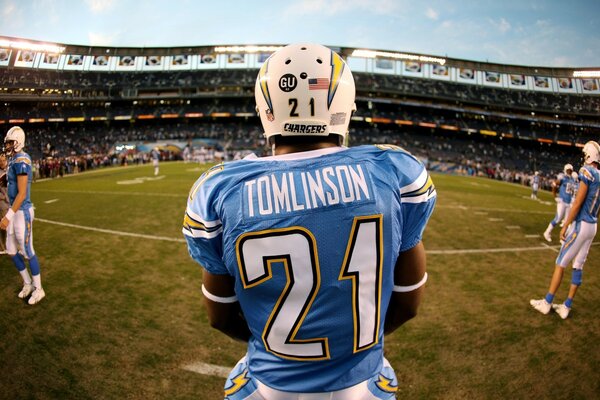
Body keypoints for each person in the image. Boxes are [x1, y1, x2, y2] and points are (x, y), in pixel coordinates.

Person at [183, 43, 436, 399]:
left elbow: (219, 318)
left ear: (266, 110)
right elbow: (408, 305)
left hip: (267, 386)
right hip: (364, 384)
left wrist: (279, 346)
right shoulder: (393, 172)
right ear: (343, 107)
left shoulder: (221, 190)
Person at [530, 141, 599, 319]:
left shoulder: (587, 172)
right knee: (578, 265)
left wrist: (566, 224)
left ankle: (547, 302)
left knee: (561, 262)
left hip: (581, 224)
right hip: (593, 225)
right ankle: (566, 306)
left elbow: (577, 203)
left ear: (588, 155)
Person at [0, 126, 45, 304]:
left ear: (18, 142)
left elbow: (22, 194)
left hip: (22, 211)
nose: (8, 146)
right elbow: (7, 181)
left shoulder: (22, 160)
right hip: (14, 210)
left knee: (28, 251)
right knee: (11, 250)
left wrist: (8, 216)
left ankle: (39, 289)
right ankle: (28, 283)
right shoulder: (13, 160)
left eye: (10, 142)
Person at [543, 163, 574, 242]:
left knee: (567, 221)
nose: (569, 172)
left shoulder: (572, 179)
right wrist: (555, 196)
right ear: (565, 170)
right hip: (562, 201)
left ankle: (562, 238)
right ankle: (547, 232)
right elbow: (554, 184)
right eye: (568, 170)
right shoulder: (563, 178)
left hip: (568, 202)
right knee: (558, 218)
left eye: (570, 170)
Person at [0, 153, 9, 254]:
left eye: (3, 160)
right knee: (3, 226)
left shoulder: (9, 170)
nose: (2, 162)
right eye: (0, 161)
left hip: (11, 202)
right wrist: (2, 197)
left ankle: (9, 245)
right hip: (2, 203)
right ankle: (2, 247)